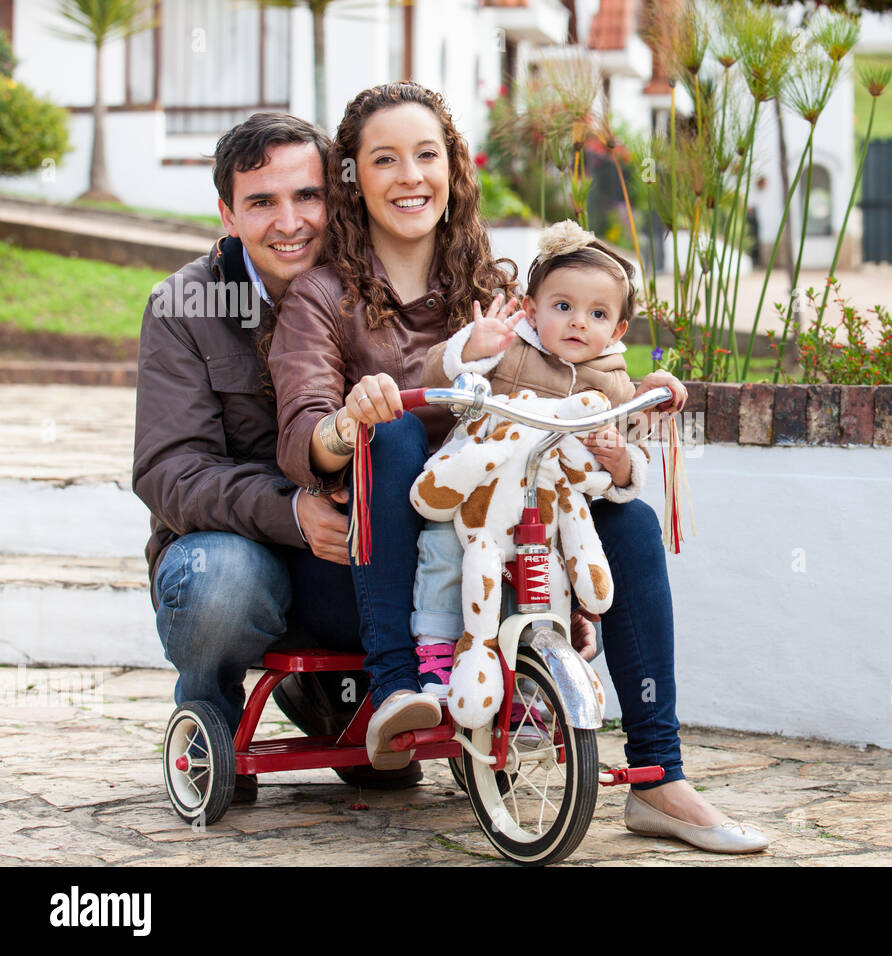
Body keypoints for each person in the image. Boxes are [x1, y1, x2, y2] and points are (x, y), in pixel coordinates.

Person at [270, 81, 767, 852]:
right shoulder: (321, 296)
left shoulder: (499, 289)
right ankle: (399, 686)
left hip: (497, 532)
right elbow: (304, 438)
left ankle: (658, 777)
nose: (410, 177)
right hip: (378, 562)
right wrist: (352, 416)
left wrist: (628, 419)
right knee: (397, 433)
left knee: (629, 522)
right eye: (385, 159)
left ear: (453, 166)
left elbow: (591, 376)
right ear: (352, 177)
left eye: (426, 155)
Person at [132, 112, 420, 802]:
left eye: (308, 196)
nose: (290, 221)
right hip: (237, 543)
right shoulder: (187, 304)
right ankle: (211, 712)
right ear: (228, 214)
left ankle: (343, 701)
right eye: (262, 202)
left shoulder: (369, 286)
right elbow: (168, 470)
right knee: (221, 583)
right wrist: (292, 509)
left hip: (357, 541)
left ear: (336, 198)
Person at [408, 218, 653, 700]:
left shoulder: (613, 381)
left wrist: (620, 461)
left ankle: (534, 671)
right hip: (478, 492)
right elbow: (438, 374)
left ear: (619, 329)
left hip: (550, 507)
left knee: (548, 579)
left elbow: (635, 448)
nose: (579, 322)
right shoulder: (511, 347)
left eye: (598, 314)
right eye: (563, 307)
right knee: (442, 550)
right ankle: (435, 647)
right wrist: (472, 351)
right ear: (531, 309)